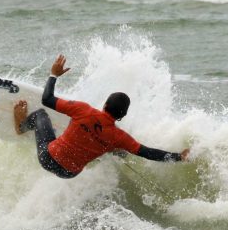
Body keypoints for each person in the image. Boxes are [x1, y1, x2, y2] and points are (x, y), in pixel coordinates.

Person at [14, 55, 190, 179]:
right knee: (119, 149)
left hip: (48, 158)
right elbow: (147, 153)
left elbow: (47, 99)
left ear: (105, 105)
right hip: (69, 173)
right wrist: (178, 157)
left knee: (41, 115)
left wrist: (53, 74)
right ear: (122, 116)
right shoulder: (119, 136)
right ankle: (104, 149)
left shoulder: (83, 110)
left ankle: (21, 126)